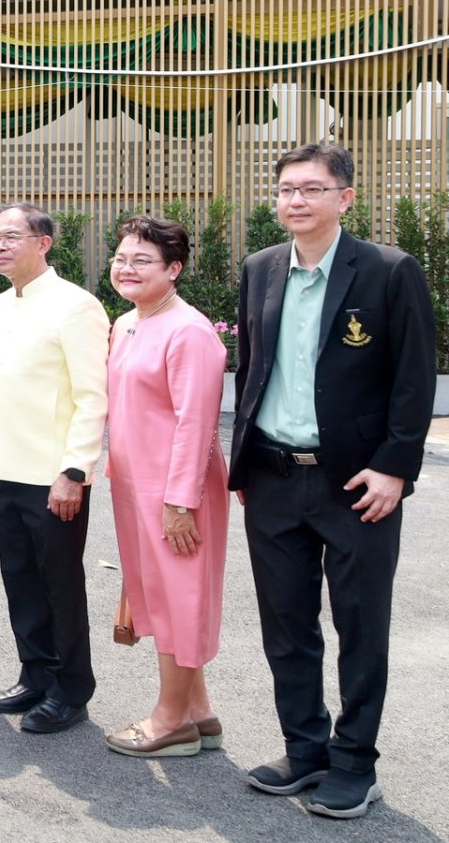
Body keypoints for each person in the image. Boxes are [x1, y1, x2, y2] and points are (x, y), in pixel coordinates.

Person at [231, 144, 435, 819]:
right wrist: (243, 462)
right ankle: (306, 747)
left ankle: (355, 762)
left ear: (345, 197)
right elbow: (253, 368)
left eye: (312, 189)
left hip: (358, 484)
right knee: (286, 625)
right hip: (274, 476)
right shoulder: (260, 269)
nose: (295, 200)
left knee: (358, 624)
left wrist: (396, 467)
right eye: (286, 188)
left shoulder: (387, 270)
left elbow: (414, 377)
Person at [0, 203, 109, 735]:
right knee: (20, 580)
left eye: (11, 237)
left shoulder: (77, 306)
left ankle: (71, 689)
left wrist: (75, 471)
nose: (0, 246)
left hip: (53, 478)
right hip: (4, 471)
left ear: (43, 243)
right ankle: (35, 674)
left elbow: (93, 397)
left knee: (60, 586)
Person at [101, 216, 229, 758]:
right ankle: (198, 711)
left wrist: (181, 502)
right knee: (160, 595)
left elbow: (196, 424)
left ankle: (170, 719)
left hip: (177, 492)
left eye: (142, 261)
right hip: (135, 484)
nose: (127, 269)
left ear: (174, 270)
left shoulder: (189, 331)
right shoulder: (128, 322)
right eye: (122, 258)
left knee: (182, 599)